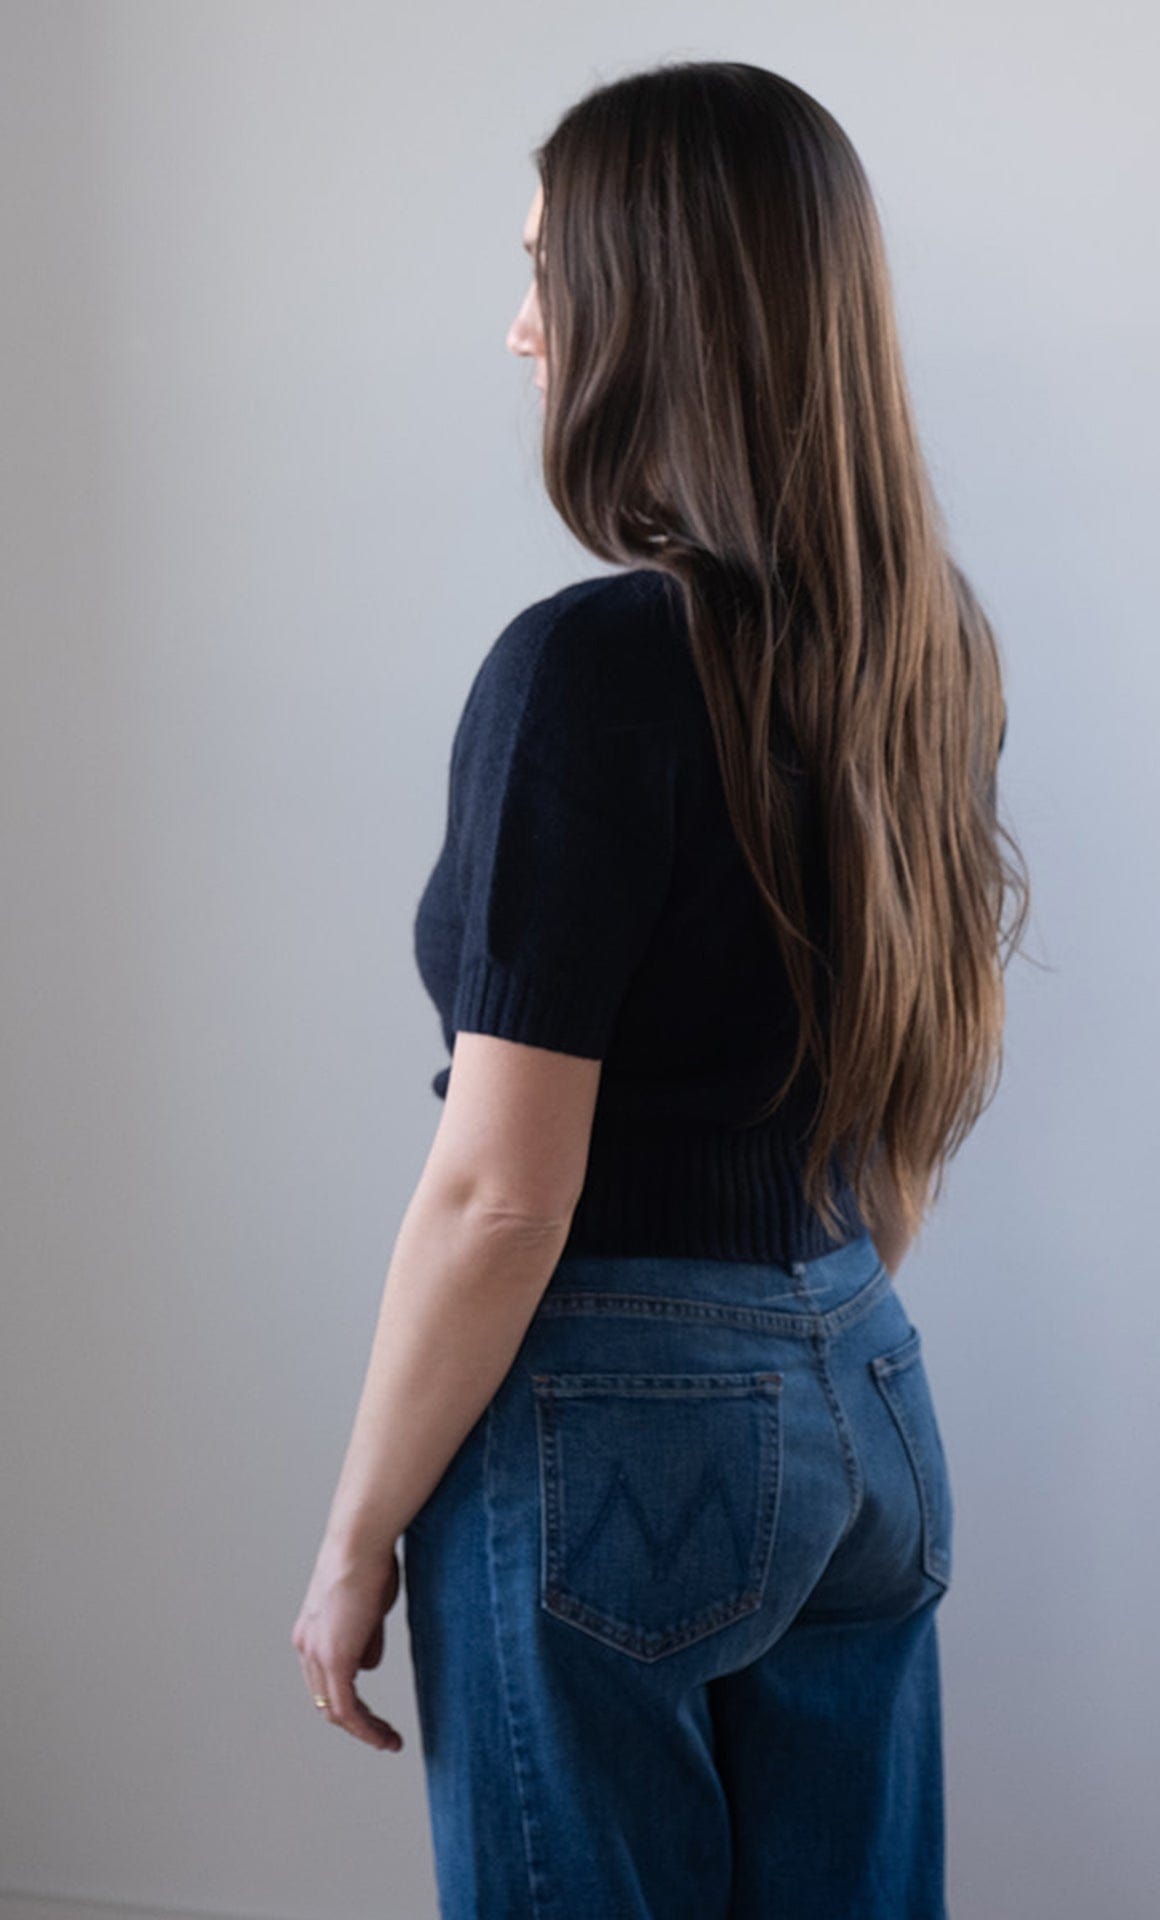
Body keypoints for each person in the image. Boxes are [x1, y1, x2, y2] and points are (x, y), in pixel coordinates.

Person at [290, 58, 1029, 1920]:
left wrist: (355, 1531)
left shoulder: (588, 671)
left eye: (551, 270)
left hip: (611, 1423)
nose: (520, 326)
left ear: (657, 301)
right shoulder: (919, 653)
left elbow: (500, 1188)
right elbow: (887, 1075)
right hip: (862, 1382)